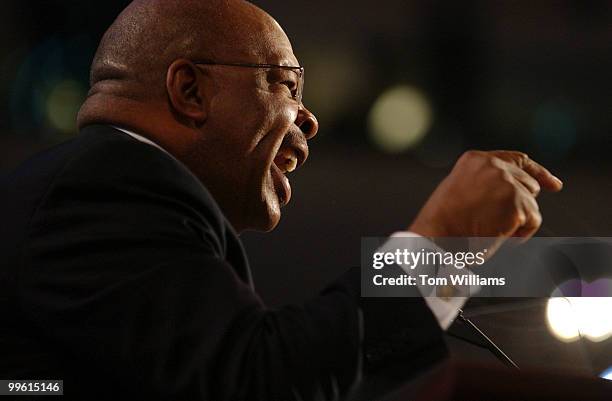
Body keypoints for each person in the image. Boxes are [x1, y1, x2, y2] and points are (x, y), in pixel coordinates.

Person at [0, 0, 563, 400]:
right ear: (190, 90)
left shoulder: (106, 192)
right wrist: (443, 242)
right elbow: (260, 381)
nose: (311, 120)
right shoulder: (109, 183)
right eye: (287, 85)